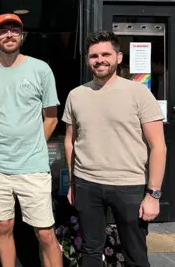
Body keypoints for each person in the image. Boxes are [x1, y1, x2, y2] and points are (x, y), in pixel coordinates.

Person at [63, 30, 166, 267]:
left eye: (106, 54)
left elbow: (158, 146)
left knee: (135, 253)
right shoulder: (76, 95)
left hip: (128, 184)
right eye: (93, 55)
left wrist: (153, 194)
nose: (100, 60)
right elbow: (70, 140)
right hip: (86, 183)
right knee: (90, 250)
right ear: (88, 60)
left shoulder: (139, 93)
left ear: (119, 57)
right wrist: (72, 183)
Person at [0, 13, 62, 267]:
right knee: (3, 226)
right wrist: (1, 141)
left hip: (33, 166)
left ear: (22, 36)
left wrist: (31, 145)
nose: (9, 35)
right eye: (3, 31)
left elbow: (52, 118)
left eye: (14, 30)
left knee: (45, 232)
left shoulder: (40, 69)